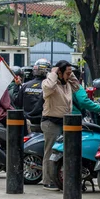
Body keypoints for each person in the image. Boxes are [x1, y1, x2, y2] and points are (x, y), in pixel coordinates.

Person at [41, 60, 79, 191]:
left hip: (66, 122)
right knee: (50, 151)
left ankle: (59, 178)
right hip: (51, 122)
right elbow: (48, 88)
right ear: (59, 72)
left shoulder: (67, 84)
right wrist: (53, 73)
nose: (69, 75)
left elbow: (77, 86)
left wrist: (70, 72)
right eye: (67, 73)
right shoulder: (49, 83)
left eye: (70, 73)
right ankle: (47, 180)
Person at [15, 59, 50, 128]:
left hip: (27, 122)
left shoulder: (25, 85)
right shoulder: (49, 87)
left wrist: (16, 86)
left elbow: (17, 103)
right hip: (43, 122)